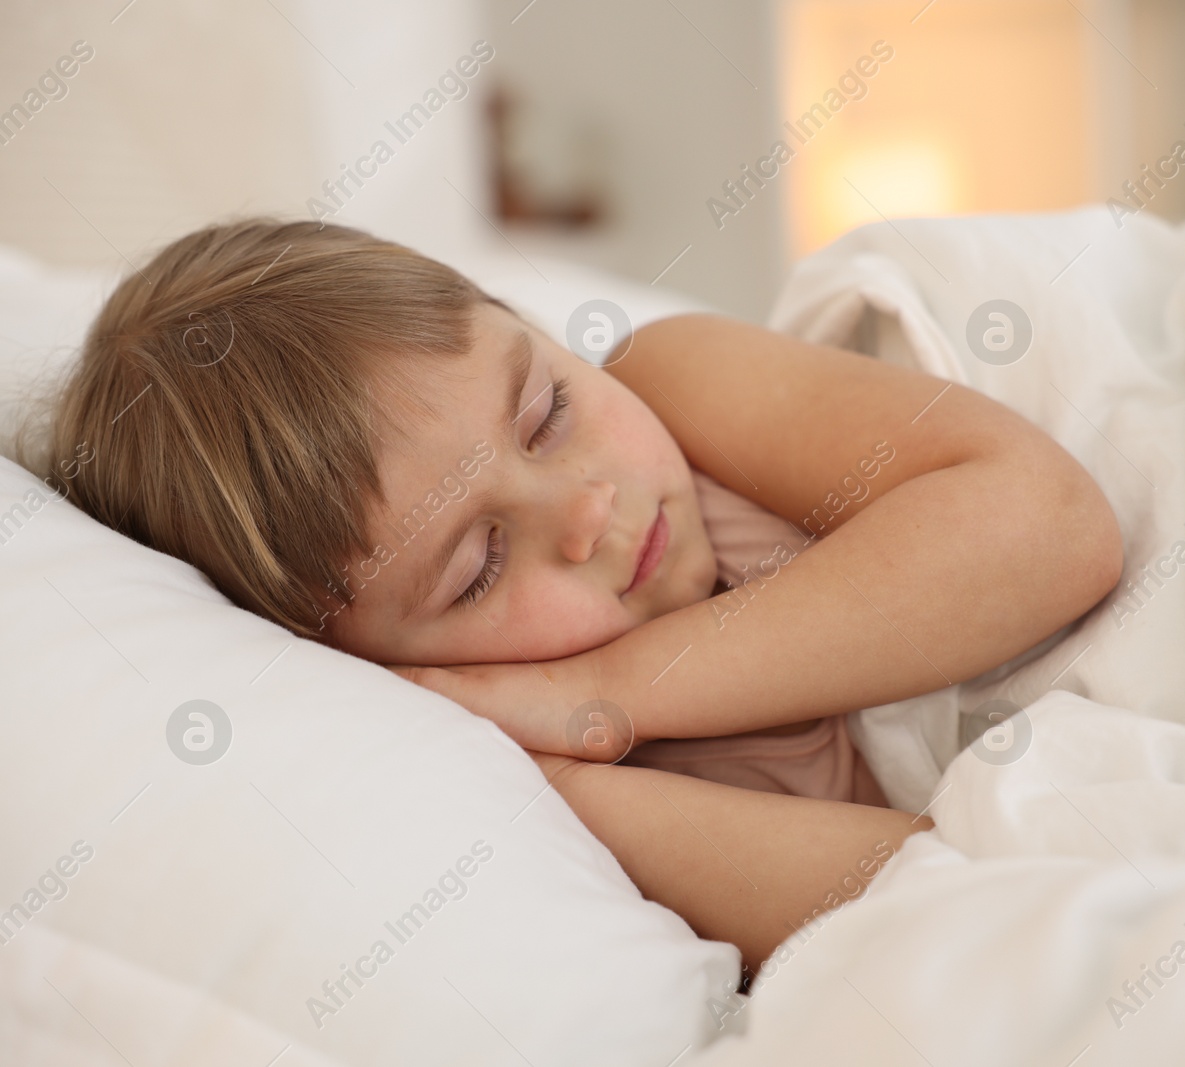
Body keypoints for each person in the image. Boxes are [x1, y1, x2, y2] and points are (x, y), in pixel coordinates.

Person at [45, 219, 1123, 971]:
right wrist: (589, 772)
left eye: (547, 412)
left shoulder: (680, 387)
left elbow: (1052, 531)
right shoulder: (568, 793)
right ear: (402, 671)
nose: (585, 509)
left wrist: (612, 681)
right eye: (479, 566)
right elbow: (969, 906)